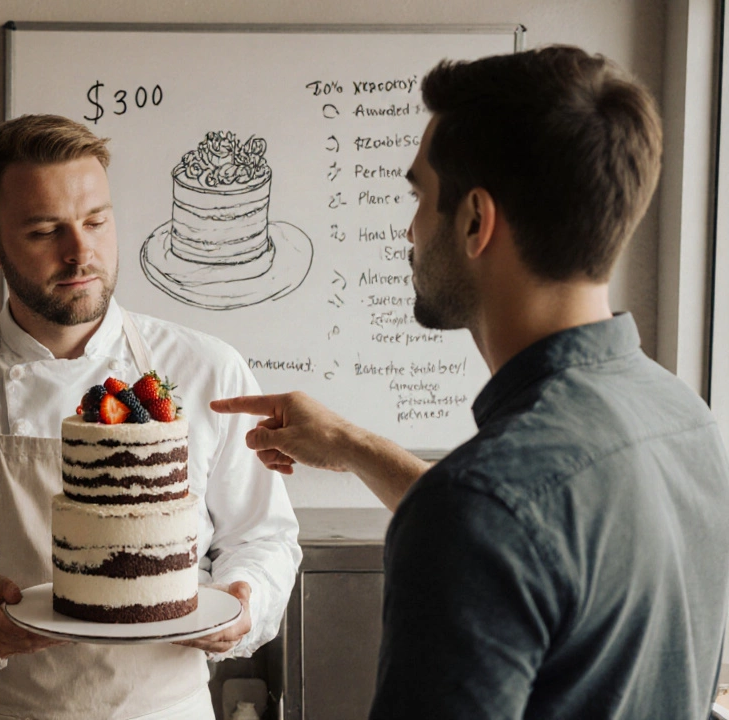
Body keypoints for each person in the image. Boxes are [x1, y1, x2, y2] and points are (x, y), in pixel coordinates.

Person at [213, 45, 729, 718]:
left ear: (476, 221)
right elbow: (536, 543)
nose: (409, 229)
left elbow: (491, 523)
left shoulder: (480, 508)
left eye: (420, 196)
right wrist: (350, 445)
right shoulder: (687, 421)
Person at [0, 114, 301, 719]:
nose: (80, 251)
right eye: (44, 231)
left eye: (96, 221)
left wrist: (245, 606)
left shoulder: (208, 372)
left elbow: (263, 536)